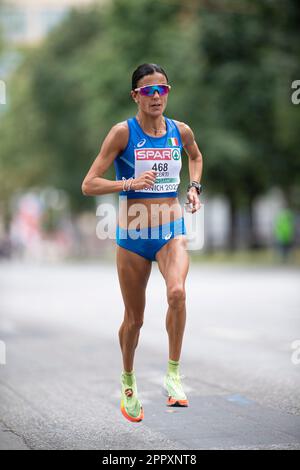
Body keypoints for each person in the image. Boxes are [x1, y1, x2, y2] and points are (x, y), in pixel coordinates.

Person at [82, 63, 203, 423]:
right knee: (135, 320)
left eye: (162, 90)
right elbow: (89, 183)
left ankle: (173, 374)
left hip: (171, 232)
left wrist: (194, 188)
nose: (155, 97)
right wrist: (128, 184)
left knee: (177, 293)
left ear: (168, 93)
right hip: (133, 238)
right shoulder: (122, 133)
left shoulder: (180, 132)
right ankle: (129, 380)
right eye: (148, 91)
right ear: (135, 95)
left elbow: (195, 157)